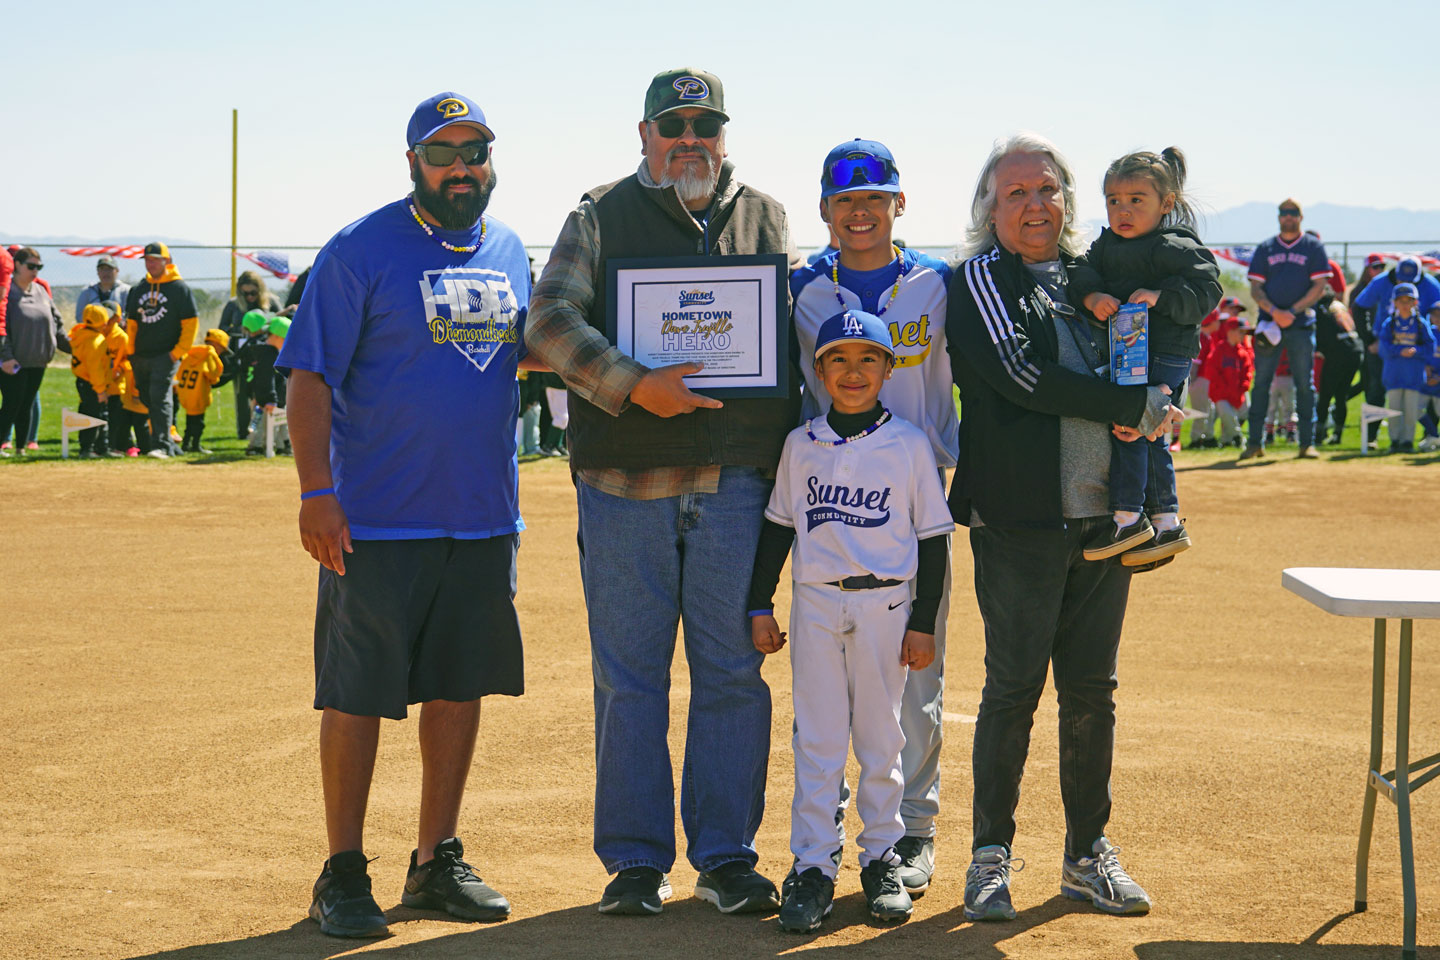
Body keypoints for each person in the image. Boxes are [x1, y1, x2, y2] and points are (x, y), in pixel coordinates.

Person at [526, 67, 798, 918]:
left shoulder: (766, 214)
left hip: (733, 481)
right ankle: (636, 862)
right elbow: (547, 322)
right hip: (623, 481)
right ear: (643, 135)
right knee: (630, 679)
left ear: (725, 136)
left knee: (731, 673)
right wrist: (634, 382)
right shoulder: (597, 213)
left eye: (705, 126)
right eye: (673, 125)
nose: (691, 140)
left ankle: (725, 855)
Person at [278, 90, 530, 938]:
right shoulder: (359, 248)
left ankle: (434, 860)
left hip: (482, 514)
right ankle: (342, 870)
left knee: (459, 686)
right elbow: (308, 375)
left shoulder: (508, 249)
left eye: (475, 152)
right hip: (376, 518)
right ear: (414, 162)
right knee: (357, 691)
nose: (462, 167)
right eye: (444, 153)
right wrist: (318, 491)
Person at [944, 133, 1182, 922]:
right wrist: (1130, 407)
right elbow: (1015, 373)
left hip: (1103, 519)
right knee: (1013, 689)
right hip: (1020, 517)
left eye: (1046, 190)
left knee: (1092, 691)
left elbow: (1166, 309)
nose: (1034, 206)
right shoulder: (980, 278)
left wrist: (1157, 396)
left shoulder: (1094, 274)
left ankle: (1087, 855)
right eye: (1015, 194)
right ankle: (989, 857)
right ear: (990, 207)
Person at [788, 137, 956, 895]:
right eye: (846, 201)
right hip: (833, 494)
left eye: (875, 199)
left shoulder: (938, 284)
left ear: (899, 204)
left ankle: (911, 829)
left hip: (915, 496)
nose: (861, 213)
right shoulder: (801, 289)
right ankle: (831, 834)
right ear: (825, 210)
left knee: (916, 672)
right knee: (831, 691)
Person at [749, 308, 952, 932]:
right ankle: (812, 865)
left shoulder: (910, 444)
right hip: (815, 603)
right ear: (818, 372)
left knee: (881, 737)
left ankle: (882, 857)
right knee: (816, 738)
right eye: (838, 358)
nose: (854, 371)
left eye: (869, 358)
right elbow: (779, 527)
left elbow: (935, 540)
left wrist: (924, 621)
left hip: (887, 604)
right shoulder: (799, 444)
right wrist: (761, 603)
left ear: (889, 369)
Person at [1069, 147, 1221, 565]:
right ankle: (1166, 522)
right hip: (1129, 349)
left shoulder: (1174, 244)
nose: (1123, 210)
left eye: (1137, 200)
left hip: (1166, 352)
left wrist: (1162, 296)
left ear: (1166, 203)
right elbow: (1079, 271)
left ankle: (1127, 516)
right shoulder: (1106, 245)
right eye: (1114, 200)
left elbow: (1207, 292)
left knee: (1134, 428)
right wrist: (1092, 294)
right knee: (1146, 434)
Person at [1239, 200, 1332, 460]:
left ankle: (1306, 443)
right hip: (1270, 325)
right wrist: (1275, 311)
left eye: (1293, 213)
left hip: (1301, 325)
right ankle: (1254, 443)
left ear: (1300, 217)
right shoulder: (1266, 247)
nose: (1288, 217)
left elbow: (1319, 287)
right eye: (1284, 213)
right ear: (1279, 217)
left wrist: (1292, 312)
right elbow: (1256, 287)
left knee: (1305, 385)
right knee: (1261, 384)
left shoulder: (1313, 247)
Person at [124, 241, 198, 458]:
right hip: (140, 355)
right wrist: (131, 351)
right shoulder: (139, 289)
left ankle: (161, 445)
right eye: (147, 260)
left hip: (165, 355)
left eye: (155, 259)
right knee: (148, 398)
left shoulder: (179, 289)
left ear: (167, 261)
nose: (150, 264)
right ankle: (169, 443)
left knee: (159, 397)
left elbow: (191, 323)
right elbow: (132, 323)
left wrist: (177, 352)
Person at [0, 247, 70, 457]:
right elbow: (2, 326)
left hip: (37, 361)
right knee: (12, 403)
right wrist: (6, 356)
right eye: (31, 266)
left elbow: (56, 325)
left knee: (26, 404)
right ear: (16, 265)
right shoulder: (7, 292)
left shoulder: (40, 291)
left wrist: (76, 349)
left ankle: (21, 447)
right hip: (13, 361)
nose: (35, 271)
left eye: (39, 267)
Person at [220, 271, 284, 436]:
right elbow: (222, 329)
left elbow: (281, 324)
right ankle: (244, 431)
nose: (249, 296)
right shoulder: (233, 305)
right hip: (243, 356)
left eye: (253, 293)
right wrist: (238, 331)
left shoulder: (272, 302)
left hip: (269, 356)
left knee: (270, 394)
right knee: (243, 393)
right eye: (245, 293)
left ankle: (272, 434)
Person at [1374, 282, 1434, 453]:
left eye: (1409, 301)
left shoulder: (1421, 324)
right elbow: (1383, 348)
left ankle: (1407, 441)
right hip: (1393, 374)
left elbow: (1430, 347)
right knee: (1393, 409)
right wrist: (1400, 350)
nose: (1405, 305)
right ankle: (1395, 440)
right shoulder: (1390, 323)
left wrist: (1416, 351)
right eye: (1401, 301)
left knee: (1411, 410)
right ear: (1395, 303)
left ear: (1415, 302)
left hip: (1413, 375)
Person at [68, 304, 119, 457]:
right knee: (93, 416)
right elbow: (95, 369)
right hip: (92, 384)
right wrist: (100, 390)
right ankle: (87, 449)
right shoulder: (95, 341)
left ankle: (102, 448)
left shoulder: (80, 334)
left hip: (83, 381)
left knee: (100, 414)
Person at [1314, 293, 1363, 444]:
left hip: (1339, 353)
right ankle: (1337, 435)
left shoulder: (1322, 309)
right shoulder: (1340, 306)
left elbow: (1322, 334)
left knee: (1325, 396)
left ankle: (1319, 435)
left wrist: (1319, 348)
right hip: (1355, 351)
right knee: (1341, 396)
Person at [1201, 315, 1254, 445]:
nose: (1243, 336)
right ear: (1230, 332)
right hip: (1221, 394)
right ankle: (1238, 437)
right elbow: (1211, 372)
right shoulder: (1219, 350)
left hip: (1237, 393)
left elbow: (1248, 373)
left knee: (1245, 414)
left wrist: (1243, 387)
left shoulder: (1242, 353)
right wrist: (1225, 390)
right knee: (1227, 415)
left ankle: (1226, 439)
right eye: (1240, 332)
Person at [175, 329, 228, 453]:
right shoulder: (209, 355)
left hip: (186, 392)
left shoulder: (192, 352)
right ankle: (195, 445)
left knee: (190, 421)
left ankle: (186, 444)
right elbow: (213, 375)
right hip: (199, 394)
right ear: (216, 344)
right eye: (221, 349)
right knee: (198, 423)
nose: (220, 353)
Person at [74, 255, 131, 325]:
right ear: (97, 272)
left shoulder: (126, 291)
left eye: (109, 269)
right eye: (102, 269)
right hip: (93, 333)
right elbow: (80, 317)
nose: (106, 272)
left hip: (117, 332)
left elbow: (130, 316)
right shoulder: (87, 292)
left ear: (117, 271)